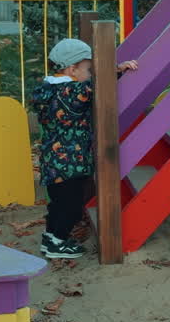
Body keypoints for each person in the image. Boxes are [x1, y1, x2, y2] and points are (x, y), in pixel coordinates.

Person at [30, 38, 138, 259]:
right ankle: (57, 244)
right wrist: (117, 70)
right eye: (89, 69)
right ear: (72, 69)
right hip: (69, 164)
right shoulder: (69, 92)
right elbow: (94, 87)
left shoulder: (49, 89)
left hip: (54, 163)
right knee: (71, 206)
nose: (91, 74)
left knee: (58, 204)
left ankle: (51, 238)